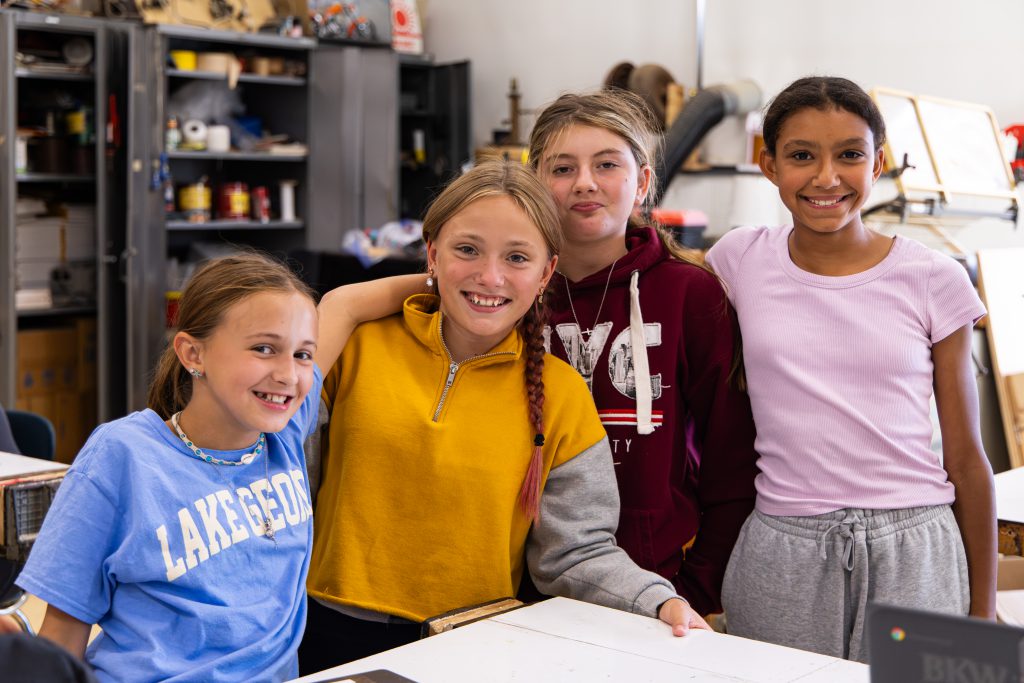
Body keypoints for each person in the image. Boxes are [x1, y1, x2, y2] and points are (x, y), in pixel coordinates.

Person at [299, 160, 708, 674]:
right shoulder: (354, 348)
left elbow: (575, 554)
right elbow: (283, 479)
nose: (488, 276)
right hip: (323, 630)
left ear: (545, 273)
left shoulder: (561, 395)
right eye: (466, 249)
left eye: (517, 257)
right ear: (431, 253)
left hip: (471, 647)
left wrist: (658, 600)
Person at [14, 251, 412, 681]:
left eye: (302, 355)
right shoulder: (122, 456)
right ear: (192, 354)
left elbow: (346, 305)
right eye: (264, 348)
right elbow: (62, 631)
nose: (289, 375)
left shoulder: (282, 431)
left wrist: (460, 281)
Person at [704, 76, 997, 662]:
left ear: (879, 162)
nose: (826, 177)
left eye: (850, 155)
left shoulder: (934, 279)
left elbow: (965, 456)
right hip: (783, 548)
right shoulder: (738, 260)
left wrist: (985, 614)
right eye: (802, 156)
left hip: (917, 547)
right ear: (769, 165)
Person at [526, 90, 759, 619]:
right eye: (563, 168)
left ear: (643, 182)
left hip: (660, 587)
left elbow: (732, 461)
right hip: (517, 586)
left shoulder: (690, 293)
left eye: (607, 164)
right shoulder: (510, 294)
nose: (584, 182)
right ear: (535, 183)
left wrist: (698, 587)